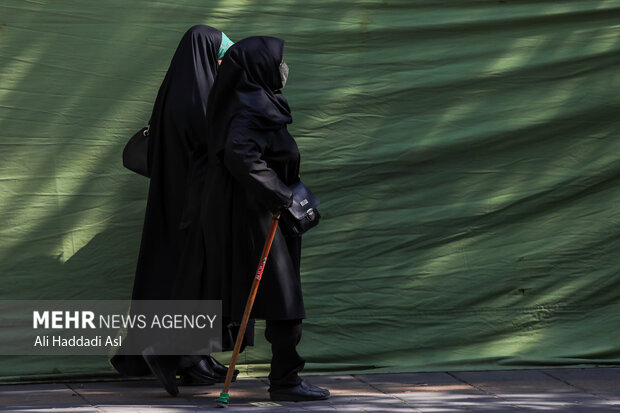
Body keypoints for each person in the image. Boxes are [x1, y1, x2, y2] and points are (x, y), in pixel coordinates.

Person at [175, 35, 330, 402]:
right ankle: (286, 381)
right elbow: (241, 155)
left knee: (278, 298)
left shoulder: (254, 99)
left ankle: (283, 377)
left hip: (262, 213)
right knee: (285, 300)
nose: (282, 69)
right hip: (260, 217)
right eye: (278, 63)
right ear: (260, 66)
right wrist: (281, 195)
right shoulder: (250, 106)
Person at [110, 24, 236, 390]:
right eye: (220, 53)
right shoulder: (200, 96)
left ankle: (197, 355)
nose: (223, 61)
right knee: (193, 282)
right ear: (206, 54)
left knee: (183, 280)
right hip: (193, 209)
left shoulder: (176, 91)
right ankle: (188, 357)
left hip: (174, 204)